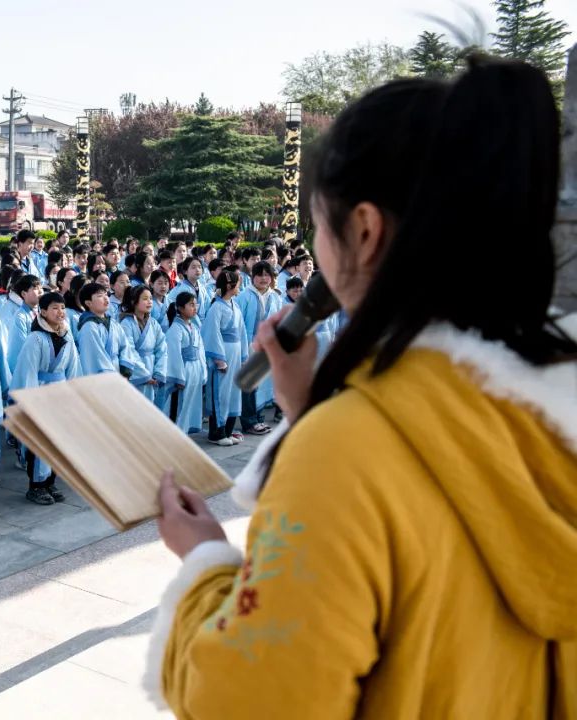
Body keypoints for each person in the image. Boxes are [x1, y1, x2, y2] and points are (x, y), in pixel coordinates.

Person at [151, 59, 577, 717]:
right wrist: (309, 412)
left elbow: (247, 700)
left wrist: (206, 561)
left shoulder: (344, 454)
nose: (315, 248)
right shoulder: (548, 400)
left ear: (367, 230)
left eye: (318, 224)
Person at [10, 292, 80, 505]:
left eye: (62, 307)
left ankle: (50, 481)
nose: (60, 312)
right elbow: (28, 371)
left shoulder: (67, 336)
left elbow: (73, 367)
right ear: (43, 311)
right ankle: (35, 486)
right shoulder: (36, 338)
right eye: (54, 308)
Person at [201, 269, 248, 445]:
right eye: (237, 283)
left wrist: (244, 356)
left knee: (233, 392)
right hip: (224, 355)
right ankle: (216, 433)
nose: (240, 287)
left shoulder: (234, 305)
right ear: (230, 286)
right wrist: (219, 359)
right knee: (221, 392)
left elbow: (242, 332)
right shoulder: (216, 307)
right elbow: (212, 334)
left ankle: (228, 430)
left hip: (235, 353)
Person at [236, 261, 281, 435]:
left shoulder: (275, 297)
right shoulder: (244, 296)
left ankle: (259, 418)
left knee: (262, 385)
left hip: (266, 348)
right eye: (260, 274)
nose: (263, 278)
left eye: (267, 275)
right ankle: (249, 421)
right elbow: (239, 326)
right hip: (249, 346)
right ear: (252, 277)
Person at [76, 283, 144, 378]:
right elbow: (96, 357)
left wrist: (125, 367)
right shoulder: (89, 327)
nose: (106, 298)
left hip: (117, 372)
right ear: (88, 303)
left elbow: (125, 346)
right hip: (101, 378)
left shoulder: (113, 322)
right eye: (100, 296)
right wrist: (112, 376)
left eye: (106, 295)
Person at [162, 293, 206, 434]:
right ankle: (176, 433)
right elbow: (174, 354)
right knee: (179, 404)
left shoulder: (193, 326)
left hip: (194, 369)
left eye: (195, 304)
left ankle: (185, 431)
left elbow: (200, 350)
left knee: (190, 403)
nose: (195, 307)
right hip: (184, 370)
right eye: (191, 304)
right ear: (180, 308)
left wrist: (202, 370)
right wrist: (178, 376)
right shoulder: (176, 329)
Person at [119, 284, 167, 406]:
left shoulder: (153, 323)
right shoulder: (126, 323)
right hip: (136, 372)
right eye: (145, 299)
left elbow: (162, 348)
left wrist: (158, 372)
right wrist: (144, 374)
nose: (149, 302)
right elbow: (129, 350)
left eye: (150, 298)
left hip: (152, 368)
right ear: (134, 301)